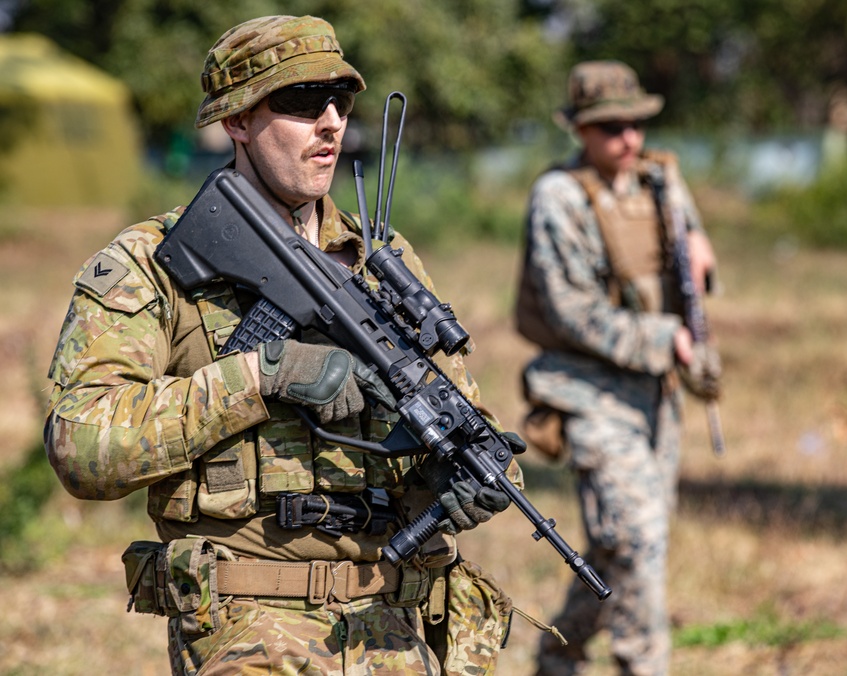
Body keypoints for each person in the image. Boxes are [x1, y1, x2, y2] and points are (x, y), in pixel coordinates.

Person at [44, 15, 521, 675]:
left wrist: (460, 482)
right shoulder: (150, 263)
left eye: (341, 102)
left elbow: (456, 413)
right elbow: (81, 445)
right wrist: (262, 375)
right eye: (300, 102)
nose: (331, 122)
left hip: (392, 627)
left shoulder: (381, 263)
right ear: (235, 120)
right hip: (248, 633)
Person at [515, 60, 722, 675]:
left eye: (635, 124)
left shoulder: (659, 181)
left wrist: (704, 262)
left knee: (622, 548)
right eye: (610, 128)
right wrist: (667, 339)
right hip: (588, 394)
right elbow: (572, 311)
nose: (628, 140)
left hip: (655, 396)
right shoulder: (558, 197)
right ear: (579, 130)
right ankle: (642, 664)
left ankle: (558, 655)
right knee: (637, 543)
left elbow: (689, 265)